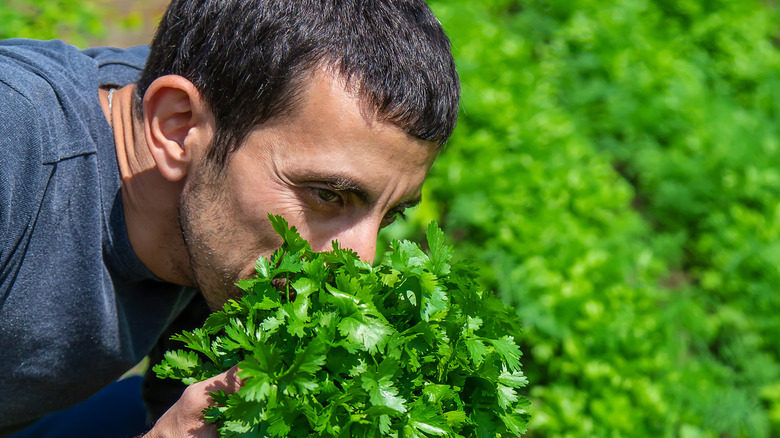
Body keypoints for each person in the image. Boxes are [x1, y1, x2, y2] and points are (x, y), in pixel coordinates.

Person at [0, 0, 459, 436]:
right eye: (327, 194)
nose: (360, 262)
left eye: (390, 214)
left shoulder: (214, 198)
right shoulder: (16, 152)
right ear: (176, 127)